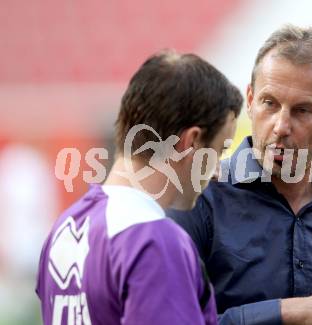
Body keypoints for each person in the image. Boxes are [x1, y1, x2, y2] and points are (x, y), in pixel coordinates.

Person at [168, 25, 312, 325]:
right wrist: (287, 312)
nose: (281, 125)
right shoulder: (198, 200)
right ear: (249, 99)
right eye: (269, 103)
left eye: (302, 111)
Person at [36, 51, 242, 325]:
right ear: (191, 142)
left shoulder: (64, 228)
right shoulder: (154, 240)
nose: (217, 171)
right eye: (219, 149)